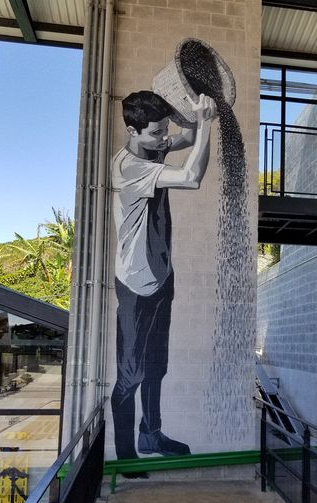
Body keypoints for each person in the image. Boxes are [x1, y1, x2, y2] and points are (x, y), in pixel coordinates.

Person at [111, 90, 215, 460]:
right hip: (136, 286)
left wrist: (195, 115)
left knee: (157, 365)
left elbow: (184, 138)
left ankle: (151, 435)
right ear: (131, 131)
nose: (161, 139)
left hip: (161, 276)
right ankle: (125, 457)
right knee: (129, 377)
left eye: (161, 132)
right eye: (155, 133)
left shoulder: (151, 146)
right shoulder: (129, 168)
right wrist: (203, 123)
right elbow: (191, 176)